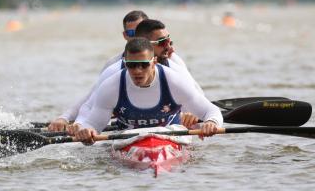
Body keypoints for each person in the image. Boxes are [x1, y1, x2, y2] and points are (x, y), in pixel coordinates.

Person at [74, 37, 222, 144]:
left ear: (154, 62)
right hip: (127, 142)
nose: (137, 71)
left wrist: (211, 122)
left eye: (143, 64)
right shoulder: (111, 86)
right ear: (125, 63)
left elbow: (212, 111)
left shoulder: (174, 81)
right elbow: (94, 125)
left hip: (170, 138)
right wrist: (87, 133)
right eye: (131, 65)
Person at [48, 10, 148, 131]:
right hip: (127, 126)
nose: (136, 37)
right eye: (132, 33)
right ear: (125, 35)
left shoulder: (166, 58)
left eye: (140, 32)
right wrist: (66, 118)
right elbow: (91, 99)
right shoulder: (113, 65)